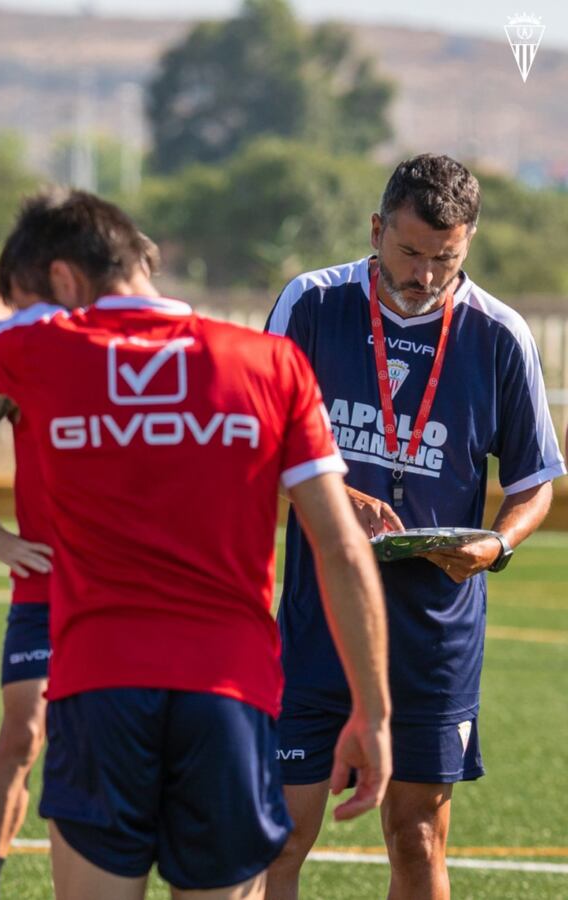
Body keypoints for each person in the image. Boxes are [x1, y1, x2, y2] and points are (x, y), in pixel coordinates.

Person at [0, 190, 392, 900]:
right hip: (232, 692)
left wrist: (31, 305)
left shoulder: (41, 353)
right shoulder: (271, 365)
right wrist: (373, 710)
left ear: (63, 283)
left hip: (99, 689)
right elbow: (341, 548)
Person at [265, 153, 566, 900]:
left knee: (418, 836)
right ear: (376, 230)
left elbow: (535, 483)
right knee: (278, 835)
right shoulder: (310, 303)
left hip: (435, 632)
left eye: (446, 258)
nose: (426, 274)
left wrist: (496, 543)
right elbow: (257, 438)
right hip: (317, 620)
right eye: (409, 253)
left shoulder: (500, 334)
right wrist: (334, 495)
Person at [0, 193, 164, 900]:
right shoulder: (36, 364)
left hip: (129, 588)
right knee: (27, 728)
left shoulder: (155, 363)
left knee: (130, 743)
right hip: (46, 583)